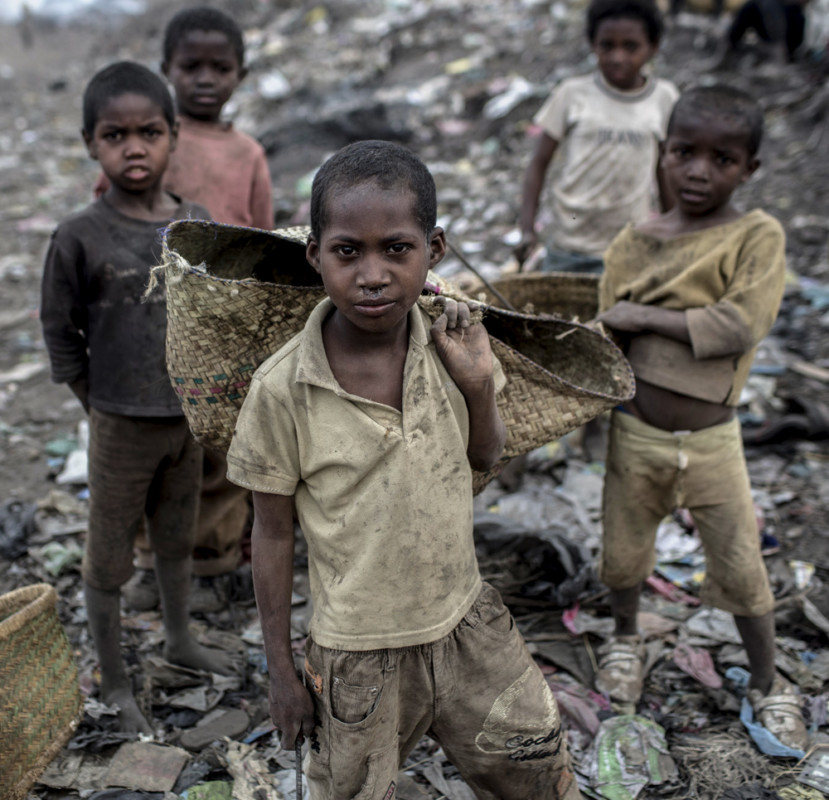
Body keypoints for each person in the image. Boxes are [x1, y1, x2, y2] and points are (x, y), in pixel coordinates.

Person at [226, 140, 583, 799]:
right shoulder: (282, 389)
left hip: (465, 620)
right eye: (347, 251)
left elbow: (482, 459)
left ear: (434, 250)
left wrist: (476, 386)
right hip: (357, 652)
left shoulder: (452, 348)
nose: (372, 274)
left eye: (396, 249)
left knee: (533, 770)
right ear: (315, 255)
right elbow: (271, 535)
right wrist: (280, 671)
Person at [594, 85, 808, 751]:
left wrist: (643, 319)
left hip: (713, 439)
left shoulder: (754, 235)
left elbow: (737, 324)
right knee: (623, 552)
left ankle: (767, 684)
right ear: (662, 153)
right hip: (635, 431)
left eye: (721, 159)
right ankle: (625, 640)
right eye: (683, 152)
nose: (697, 171)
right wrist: (629, 330)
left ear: (748, 170)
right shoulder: (634, 243)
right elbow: (607, 341)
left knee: (741, 563)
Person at [40, 62, 234, 734]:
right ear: (91, 143)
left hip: (185, 418)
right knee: (107, 557)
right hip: (120, 422)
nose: (134, 147)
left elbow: (213, 317)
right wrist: (96, 402)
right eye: (114, 134)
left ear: (174, 135)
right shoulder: (79, 236)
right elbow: (59, 333)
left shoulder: (195, 225)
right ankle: (115, 677)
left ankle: (179, 641)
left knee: (176, 539)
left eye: (149, 131)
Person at [98, 7, 274, 590]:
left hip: (225, 325)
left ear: (240, 75)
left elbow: (263, 241)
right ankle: (153, 556)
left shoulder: (248, 153)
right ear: (166, 69)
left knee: (224, 440)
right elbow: (110, 217)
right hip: (153, 320)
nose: (205, 78)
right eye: (190, 65)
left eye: (219, 67)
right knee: (159, 441)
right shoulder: (153, 139)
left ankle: (214, 554)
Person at [515, 0, 678, 273]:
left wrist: (673, 230)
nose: (617, 57)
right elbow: (539, 163)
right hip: (568, 245)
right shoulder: (572, 93)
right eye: (607, 45)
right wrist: (527, 229)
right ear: (593, 44)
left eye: (631, 46)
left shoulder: (664, 98)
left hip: (628, 246)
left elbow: (666, 170)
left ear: (654, 47)